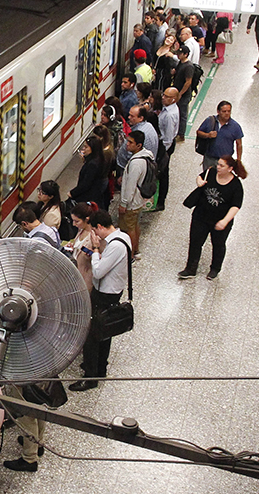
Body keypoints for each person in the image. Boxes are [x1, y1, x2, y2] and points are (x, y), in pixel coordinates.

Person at [70, 210, 131, 392]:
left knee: (92, 335)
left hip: (105, 293)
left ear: (100, 227)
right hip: (113, 291)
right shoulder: (123, 237)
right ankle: (100, 367)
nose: (95, 236)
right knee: (105, 330)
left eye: (95, 232)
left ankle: (90, 376)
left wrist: (96, 250)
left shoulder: (115, 246)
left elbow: (98, 272)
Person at [178, 155, 246, 280]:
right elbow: (200, 176)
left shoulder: (235, 185)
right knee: (195, 242)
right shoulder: (211, 172)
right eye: (218, 164)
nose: (218, 167)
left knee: (218, 244)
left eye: (222, 165)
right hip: (201, 215)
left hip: (220, 219)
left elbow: (236, 206)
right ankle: (190, 268)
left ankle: (215, 269)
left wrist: (225, 221)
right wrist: (199, 182)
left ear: (230, 168)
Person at [119, 131, 153, 257]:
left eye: (130, 142)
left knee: (129, 228)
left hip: (132, 203)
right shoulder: (144, 157)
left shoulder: (136, 163)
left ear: (139, 146)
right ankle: (136, 249)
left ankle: (131, 254)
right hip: (138, 201)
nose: (127, 144)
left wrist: (123, 203)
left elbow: (131, 186)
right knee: (135, 225)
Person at [195, 101, 244, 171]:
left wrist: (239, 160)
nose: (227, 113)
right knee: (208, 178)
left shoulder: (235, 126)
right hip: (210, 158)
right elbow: (199, 132)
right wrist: (208, 135)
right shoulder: (210, 121)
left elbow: (239, 144)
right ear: (218, 111)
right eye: (224, 111)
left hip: (225, 161)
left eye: (229, 111)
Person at [154, 88, 179, 211]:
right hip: (165, 145)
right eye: (163, 94)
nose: (163, 97)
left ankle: (160, 202)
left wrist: (162, 154)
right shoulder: (169, 109)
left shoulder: (169, 115)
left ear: (173, 99)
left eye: (167, 96)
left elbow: (168, 138)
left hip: (165, 146)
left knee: (163, 174)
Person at [69, 136, 107, 203]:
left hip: (88, 197)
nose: (83, 149)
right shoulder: (100, 158)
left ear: (93, 148)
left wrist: (72, 193)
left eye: (86, 147)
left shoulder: (92, 164)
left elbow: (86, 183)